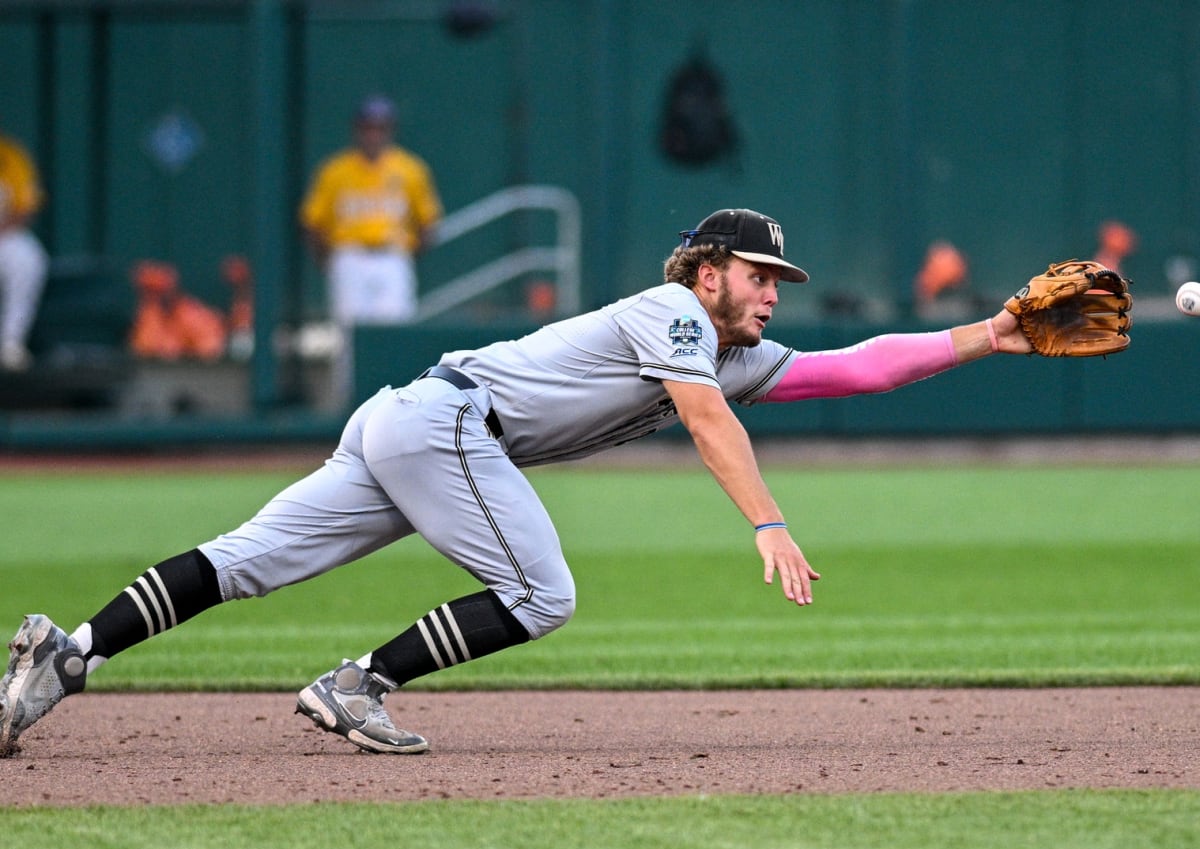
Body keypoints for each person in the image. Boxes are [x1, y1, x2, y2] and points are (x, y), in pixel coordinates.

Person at [0, 208, 1038, 757]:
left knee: (242, 564)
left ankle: (67, 652)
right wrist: (766, 519)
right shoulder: (675, 314)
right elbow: (704, 419)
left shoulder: (730, 352)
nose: (772, 293)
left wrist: (992, 333)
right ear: (708, 269)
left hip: (413, 422)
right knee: (543, 594)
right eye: (760, 275)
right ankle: (358, 683)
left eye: (779, 282)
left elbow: (858, 366)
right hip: (449, 425)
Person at [299, 94, 443, 406]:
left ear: (389, 130)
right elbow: (312, 223)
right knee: (347, 335)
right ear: (357, 129)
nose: (373, 134)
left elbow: (429, 223)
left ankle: (401, 406)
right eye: (368, 127)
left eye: (380, 127)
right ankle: (348, 408)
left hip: (392, 256)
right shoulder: (335, 170)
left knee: (396, 331)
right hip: (349, 255)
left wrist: (405, 256)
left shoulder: (409, 168)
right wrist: (328, 260)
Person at [0, 130, 49, 372]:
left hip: (3, 237)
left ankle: (10, 343)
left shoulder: (10, 156)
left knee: (26, 255)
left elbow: (26, 206)